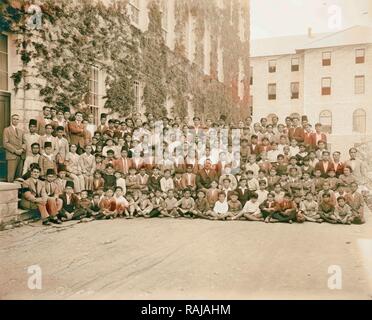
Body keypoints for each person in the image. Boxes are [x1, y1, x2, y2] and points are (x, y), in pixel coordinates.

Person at [3, 114, 24, 182]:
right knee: (11, 177)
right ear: (11, 120)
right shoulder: (7, 130)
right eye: (14, 119)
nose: (15, 120)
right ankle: (10, 192)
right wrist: (15, 151)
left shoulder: (21, 131)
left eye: (17, 119)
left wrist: (22, 149)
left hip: (20, 156)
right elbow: (5, 143)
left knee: (18, 177)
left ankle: (17, 192)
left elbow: (24, 142)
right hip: (12, 156)